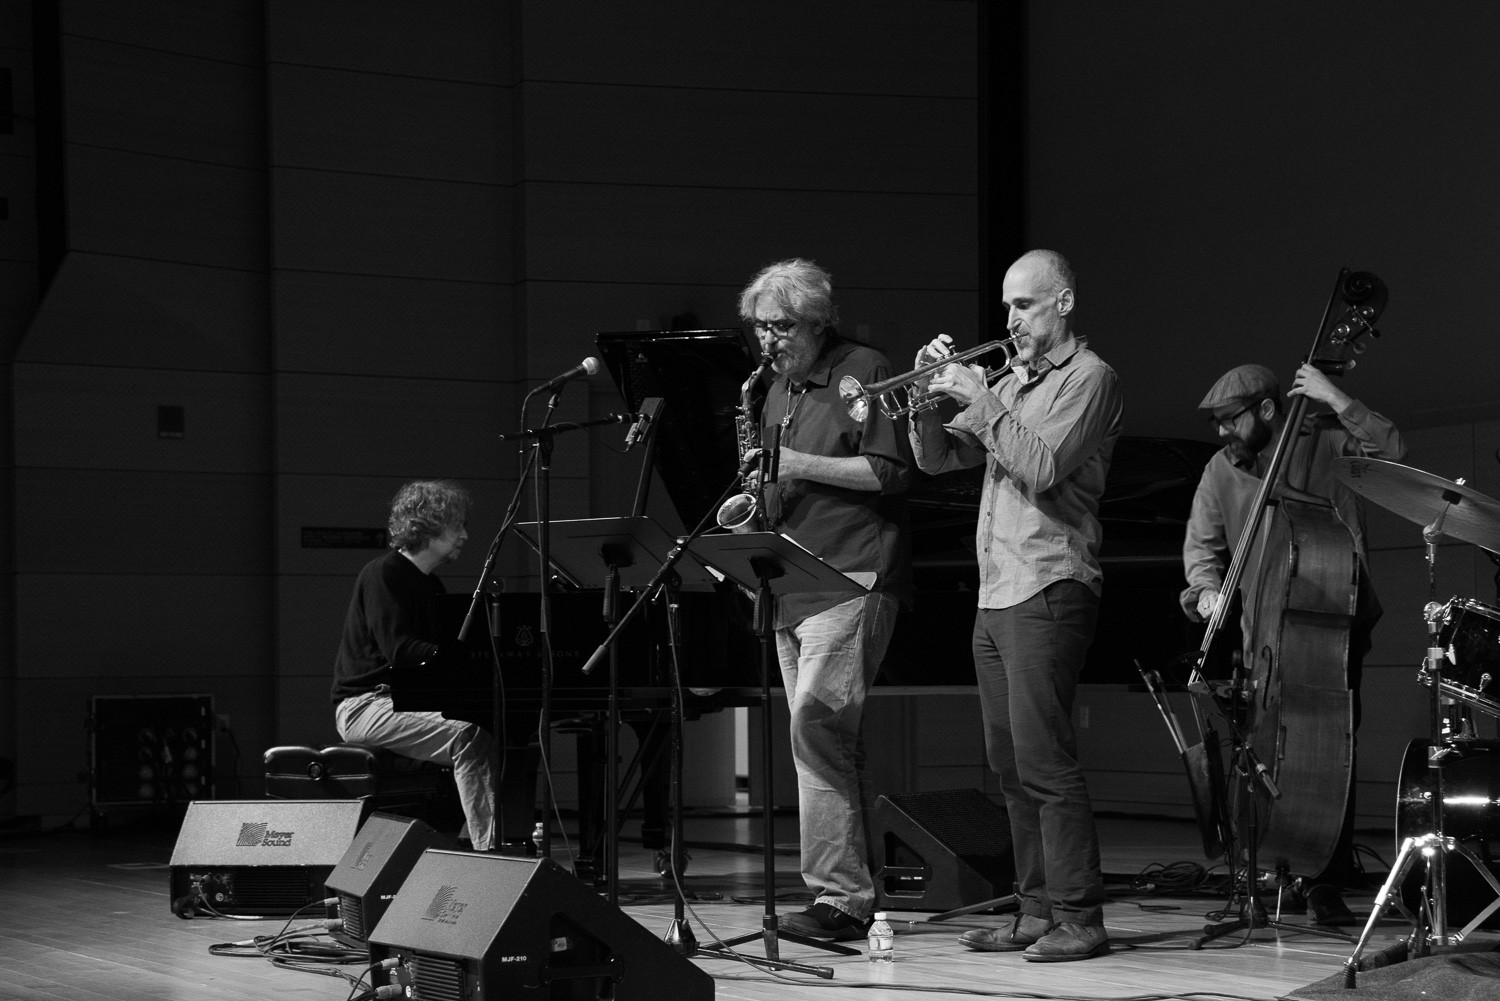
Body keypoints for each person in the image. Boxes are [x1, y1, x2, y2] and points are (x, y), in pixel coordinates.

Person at [910, 249, 1121, 962]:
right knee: (1008, 765)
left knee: (1045, 760)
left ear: (1062, 303)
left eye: (1024, 306)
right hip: (997, 589)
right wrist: (924, 399)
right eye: (1007, 307)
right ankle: (1035, 909)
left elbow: (1039, 464)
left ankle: (1080, 915)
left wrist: (982, 395)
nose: (1010, 320)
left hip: (1050, 583)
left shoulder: (1091, 379)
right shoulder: (1011, 379)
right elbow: (938, 461)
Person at [1181, 362, 1405, 924]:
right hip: (1264, 636)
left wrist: (1337, 396)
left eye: (1229, 420)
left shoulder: (1330, 442)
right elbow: (1202, 553)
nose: (1221, 432)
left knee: (1332, 749)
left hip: (1332, 622)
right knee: (1255, 750)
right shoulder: (1219, 471)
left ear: (1265, 409)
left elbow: (1395, 450)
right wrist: (1207, 593)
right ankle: (1256, 871)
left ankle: (1325, 877)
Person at [738, 258, 914, 942]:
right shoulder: (772, 388)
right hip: (789, 585)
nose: (767, 340)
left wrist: (795, 465)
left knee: (815, 729)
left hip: (851, 575)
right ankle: (844, 888)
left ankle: (841, 897)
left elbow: (891, 469)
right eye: (759, 326)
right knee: (819, 737)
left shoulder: (862, 369)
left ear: (817, 320)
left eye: (780, 326)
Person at [331, 479, 498, 850]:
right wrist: (460, 657)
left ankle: (468, 846)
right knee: (468, 734)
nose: (466, 536)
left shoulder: (431, 584)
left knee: (501, 727)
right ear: (429, 525)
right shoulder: (383, 574)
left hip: (408, 701)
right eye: (458, 526)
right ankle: (490, 852)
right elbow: (401, 650)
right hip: (365, 705)